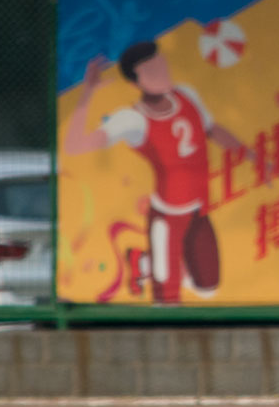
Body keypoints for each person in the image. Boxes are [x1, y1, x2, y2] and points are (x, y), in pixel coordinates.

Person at [65, 41, 262, 303]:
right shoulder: (133, 119)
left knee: (209, 289)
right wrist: (87, 93)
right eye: (152, 71)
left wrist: (251, 155)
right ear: (136, 83)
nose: (162, 73)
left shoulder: (185, 94)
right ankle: (148, 263)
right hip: (167, 216)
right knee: (166, 300)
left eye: (162, 65)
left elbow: (212, 129)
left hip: (199, 208)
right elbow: (75, 145)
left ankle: (146, 262)